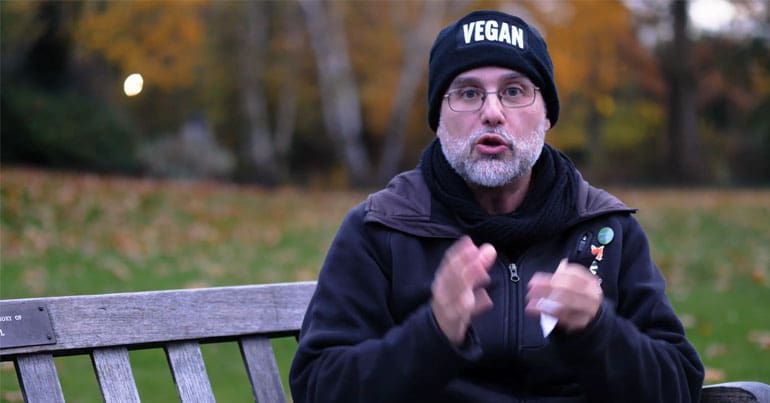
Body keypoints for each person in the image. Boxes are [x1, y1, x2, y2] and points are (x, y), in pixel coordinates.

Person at [289, 9, 704, 403]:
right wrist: (433, 333)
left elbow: (679, 386)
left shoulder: (605, 229)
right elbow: (318, 387)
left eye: (514, 91)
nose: (492, 113)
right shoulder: (380, 230)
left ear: (546, 117)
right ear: (438, 117)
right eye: (468, 93)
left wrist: (599, 331)